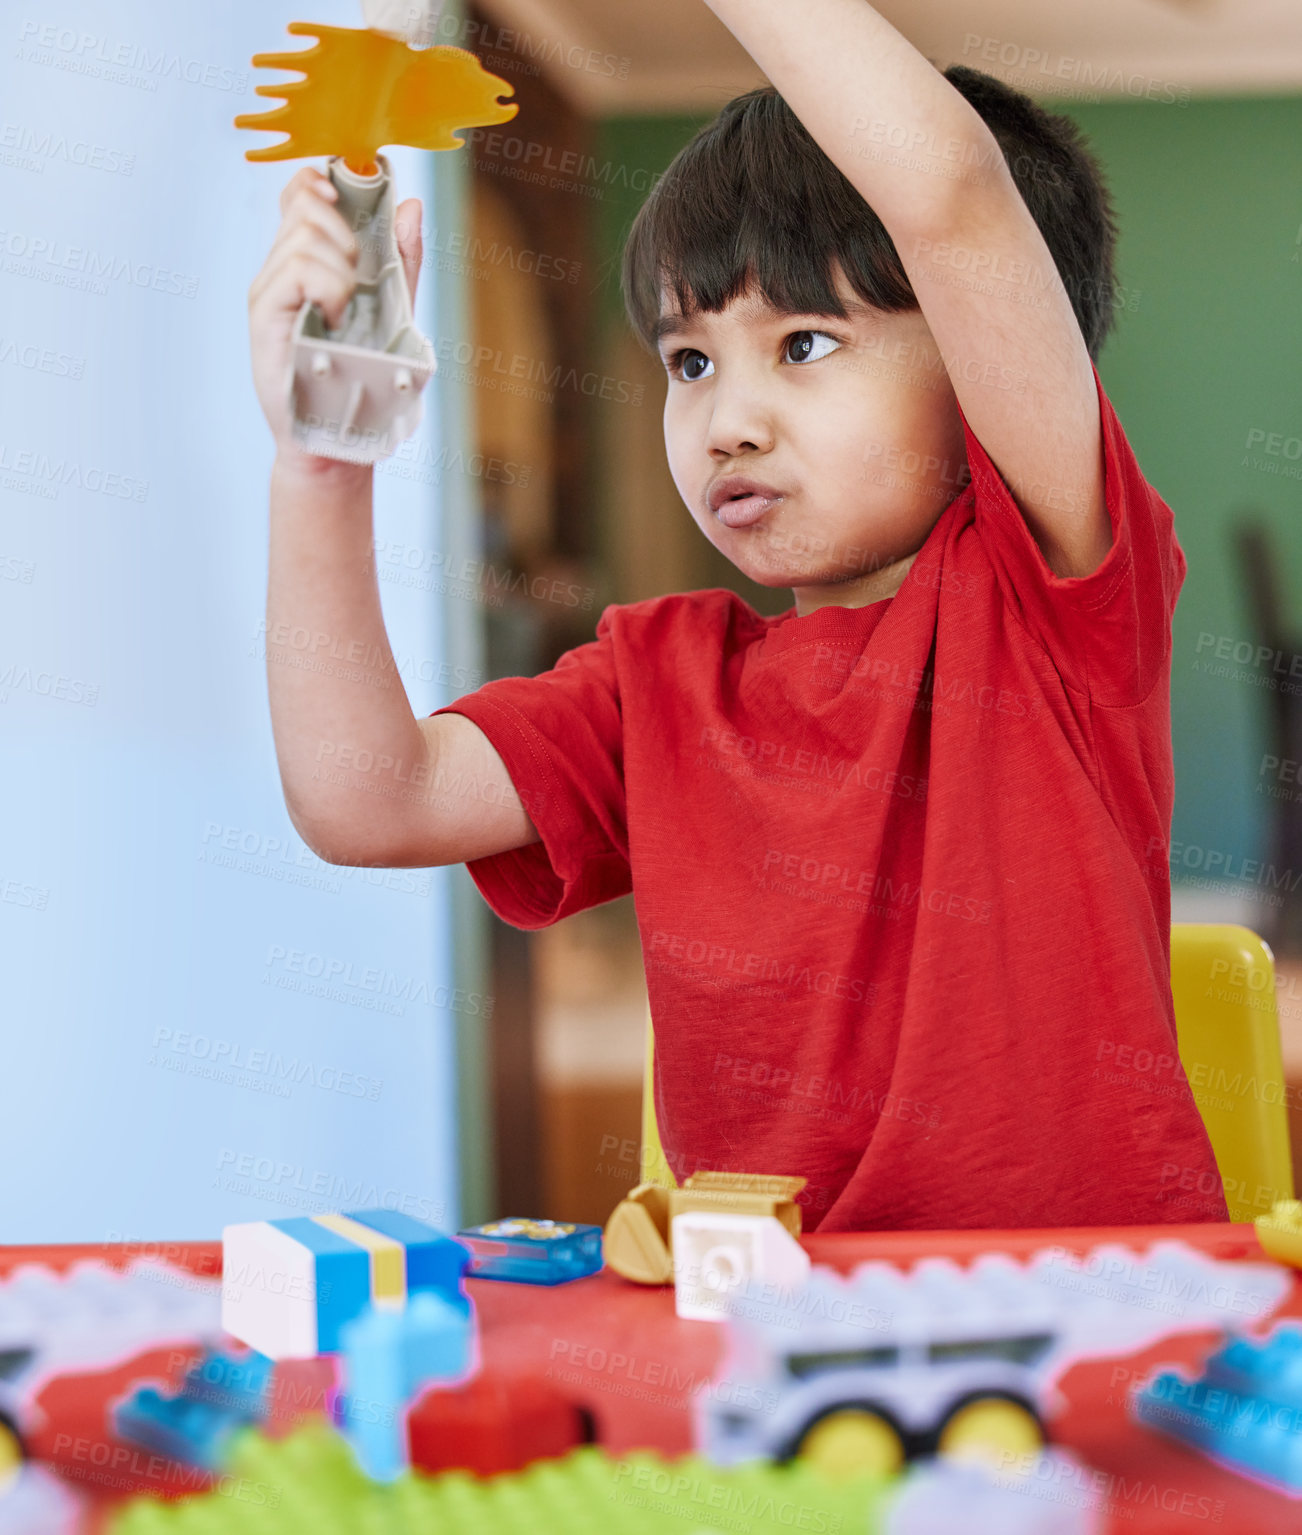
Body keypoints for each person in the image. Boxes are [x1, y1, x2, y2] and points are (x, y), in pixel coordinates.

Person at [248, 0, 1226, 1231]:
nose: (729, 421)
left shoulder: (1050, 591)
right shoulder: (656, 677)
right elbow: (365, 795)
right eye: (691, 362)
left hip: (1088, 1310)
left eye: (806, 342)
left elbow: (951, 195)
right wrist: (323, 467)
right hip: (768, 1339)